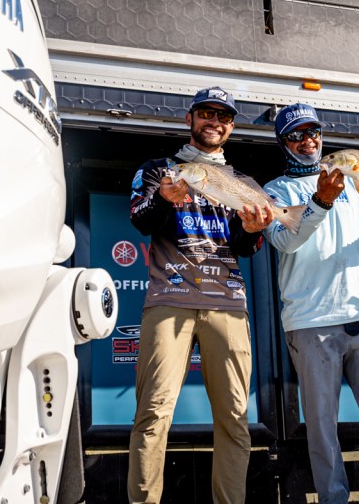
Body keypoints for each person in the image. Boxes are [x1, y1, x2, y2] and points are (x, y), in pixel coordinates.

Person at [262, 103, 359, 504]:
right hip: (311, 322)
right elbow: (285, 241)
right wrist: (320, 201)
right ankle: (334, 500)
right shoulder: (275, 191)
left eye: (313, 132)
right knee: (321, 427)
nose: (308, 141)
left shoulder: (353, 181)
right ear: (283, 143)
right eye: (297, 135)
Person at [127, 86, 275, 504]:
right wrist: (163, 199)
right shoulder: (159, 170)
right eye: (207, 113)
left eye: (223, 116)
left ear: (231, 127)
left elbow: (244, 246)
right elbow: (141, 220)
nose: (215, 122)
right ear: (189, 118)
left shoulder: (243, 183)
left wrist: (253, 230)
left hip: (227, 304)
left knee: (234, 417)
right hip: (169, 301)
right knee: (153, 412)